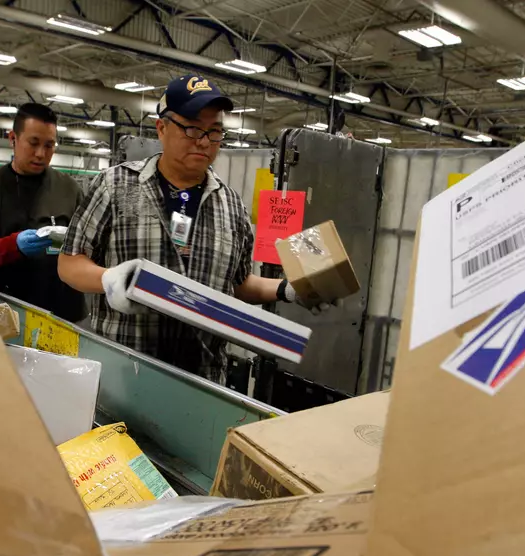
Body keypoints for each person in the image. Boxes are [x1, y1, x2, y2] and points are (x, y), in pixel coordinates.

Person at [59, 74, 331, 383]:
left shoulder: (231, 206)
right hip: (123, 371)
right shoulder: (115, 186)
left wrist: (287, 289)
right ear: (162, 128)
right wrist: (107, 278)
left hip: (203, 378)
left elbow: (239, 285)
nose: (203, 141)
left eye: (214, 132)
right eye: (192, 128)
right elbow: (69, 263)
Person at [0, 102, 85, 321]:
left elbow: (88, 243)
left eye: (49, 145)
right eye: (33, 143)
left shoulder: (69, 189)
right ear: (13, 139)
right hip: (8, 315)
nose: (40, 153)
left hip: (64, 314)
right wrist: (13, 245)